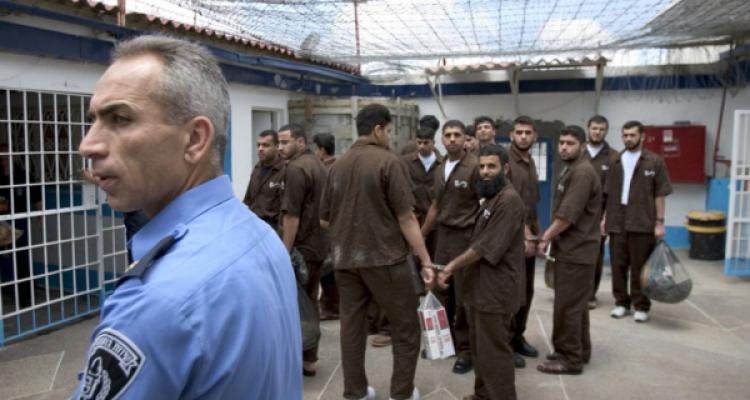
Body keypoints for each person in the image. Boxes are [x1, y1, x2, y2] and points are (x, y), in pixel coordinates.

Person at [74, 35, 301, 399]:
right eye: (93, 120)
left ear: (195, 139)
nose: (88, 144)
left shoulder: (155, 303)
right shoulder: (259, 235)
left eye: (119, 119)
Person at [320, 103, 434, 400]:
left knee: (352, 327)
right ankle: (402, 393)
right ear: (378, 129)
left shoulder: (337, 166)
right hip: (385, 259)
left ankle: (355, 392)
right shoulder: (388, 161)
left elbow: (324, 219)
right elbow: (406, 218)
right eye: (389, 131)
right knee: (406, 327)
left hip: (345, 261)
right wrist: (425, 260)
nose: (390, 137)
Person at [438, 144, 524, 400]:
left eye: (491, 167)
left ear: (505, 169)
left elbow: (484, 247)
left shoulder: (509, 201)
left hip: (496, 291)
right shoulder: (492, 198)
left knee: (494, 351)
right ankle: (483, 394)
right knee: (480, 348)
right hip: (481, 288)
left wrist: (451, 266)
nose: (485, 171)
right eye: (482, 166)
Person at [536, 125, 602, 375]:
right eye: (562, 142)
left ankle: (569, 359)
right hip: (574, 249)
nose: (564, 147)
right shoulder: (573, 169)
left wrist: (545, 238)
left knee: (568, 307)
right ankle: (579, 350)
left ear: (583, 146)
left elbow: (567, 216)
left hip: (577, 251)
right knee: (576, 305)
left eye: (570, 143)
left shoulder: (582, 172)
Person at [421, 120, 479, 375]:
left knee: (464, 296)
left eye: (457, 135)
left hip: (466, 237)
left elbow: (483, 205)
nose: (452, 139)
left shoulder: (475, 166)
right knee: (440, 290)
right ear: (442, 139)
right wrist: (421, 236)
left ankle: (466, 350)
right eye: (448, 135)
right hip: (443, 237)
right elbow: (436, 206)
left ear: (465, 138)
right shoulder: (440, 168)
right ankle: (444, 342)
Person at [604, 120, 672, 323]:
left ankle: (641, 305)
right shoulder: (616, 161)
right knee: (618, 265)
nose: (628, 139)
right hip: (617, 219)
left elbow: (660, 194)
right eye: (625, 135)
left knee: (640, 267)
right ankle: (621, 303)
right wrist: (605, 218)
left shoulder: (654, 161)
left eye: (632, 135)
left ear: (642, 136)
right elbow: (609, 193)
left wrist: (659, 222)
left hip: (642, 220)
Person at [278, 123, 328, 376]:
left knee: (295, 305)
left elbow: (292, 215)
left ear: (300, 142)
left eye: (285, 142)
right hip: (318, 246)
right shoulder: (317, 163)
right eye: (279, 142)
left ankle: (295, 359)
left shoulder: (296, 169)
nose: (280, 147)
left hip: (301, 250)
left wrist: (284, 252)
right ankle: (309, 359)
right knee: (310, 302)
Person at [506, 115, 541, 368]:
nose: (523, 137)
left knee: (527, 291)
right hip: (513, 237)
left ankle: (518, 336)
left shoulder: (530, 162)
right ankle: (505, 343)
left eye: (528, 133)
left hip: (530, 235)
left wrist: (538, 234)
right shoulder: (507, 162)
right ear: (511, 135)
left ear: (534, 136)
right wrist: (526, 234)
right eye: (519, 132)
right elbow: (511, 205)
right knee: (512, 292)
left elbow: (532, 204)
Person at [582, 115, 618, 309]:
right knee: (572, 252)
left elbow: (614, 192)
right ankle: (572, 292)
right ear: (588, 129)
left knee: (594, 255)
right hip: (576, 213)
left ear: (606, 131)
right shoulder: (578, 151)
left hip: (598, 214)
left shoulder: (613, 157)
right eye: (594, 128)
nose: (597, 132)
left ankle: (589, 295)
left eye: (601, 129)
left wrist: (606, 218)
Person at [312, 132, 340, 321]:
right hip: (333, 225)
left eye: (316, 149)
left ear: (322, 150)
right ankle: (331, 305)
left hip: (328, 226)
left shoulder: (326, 170)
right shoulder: (337, 168)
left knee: (328, 269)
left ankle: (331, 306)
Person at [242, 129, 286, 229]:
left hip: (273, 228)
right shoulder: (257, 168)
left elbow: (288, 210)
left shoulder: (285, 170)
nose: (260, 149)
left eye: (265, 145)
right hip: (254, 225)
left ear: (277, 146)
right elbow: (248, 199)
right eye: (258, 145)